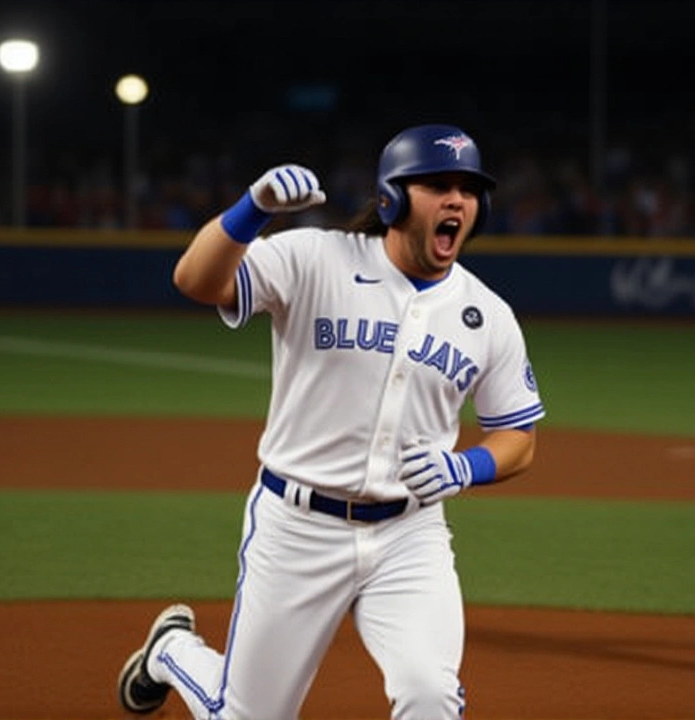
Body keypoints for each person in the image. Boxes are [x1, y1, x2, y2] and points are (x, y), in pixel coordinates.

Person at [116, 123, 546, 719]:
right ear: (392, 198)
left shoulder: (488, 315)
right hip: (297, 527)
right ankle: (173, 650)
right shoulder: (315, 258)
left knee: (430, 694)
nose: (456, 201)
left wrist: (465, 465)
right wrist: (251, 211)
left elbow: (518, 438)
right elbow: (195, 281)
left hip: (408, 536)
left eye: (468, 190)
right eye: (437, 185)